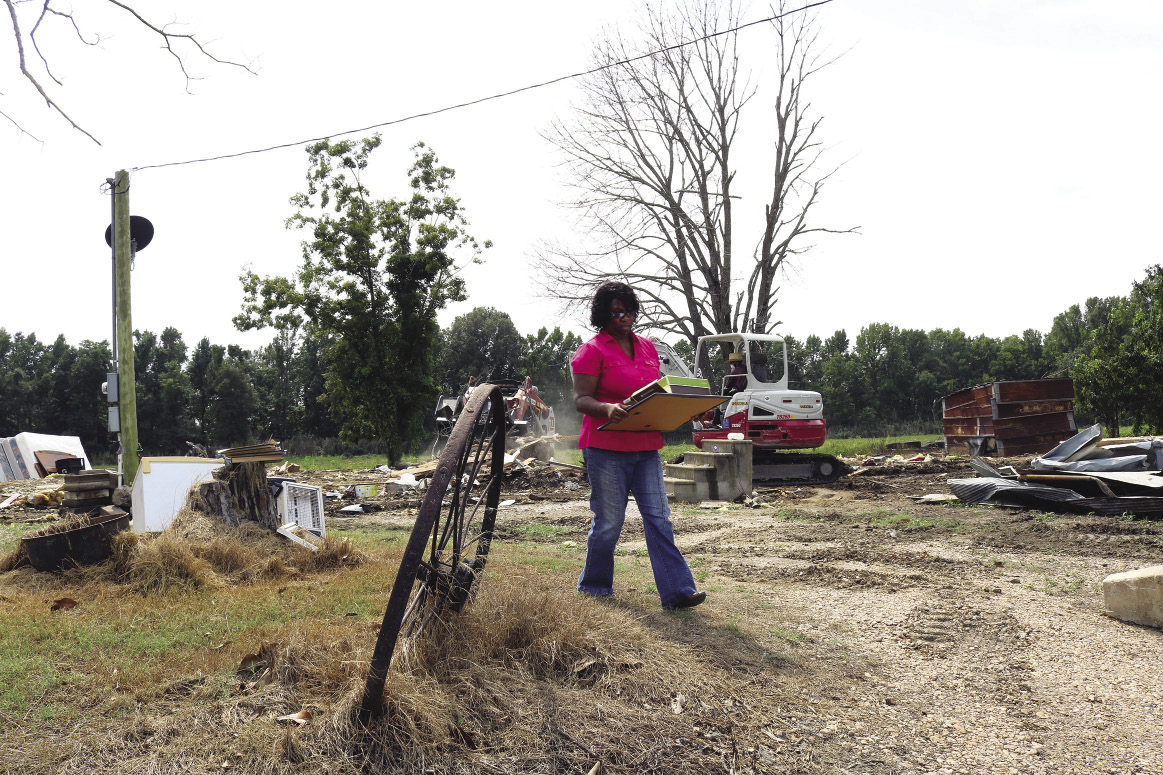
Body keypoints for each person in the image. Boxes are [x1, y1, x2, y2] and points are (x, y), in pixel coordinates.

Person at [570, 281, 706, 609]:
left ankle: (677, 592)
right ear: (603, 314)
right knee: (609, 522)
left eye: (629, 311)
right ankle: (595, 587)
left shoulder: (647, 348)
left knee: (659, 517)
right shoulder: (591, 351)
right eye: (617, 312)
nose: (624, 317)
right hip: (605, 448)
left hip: (645, 446)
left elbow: (658, 392)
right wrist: (607, 408)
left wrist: (688, 405)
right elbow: (580, 400)